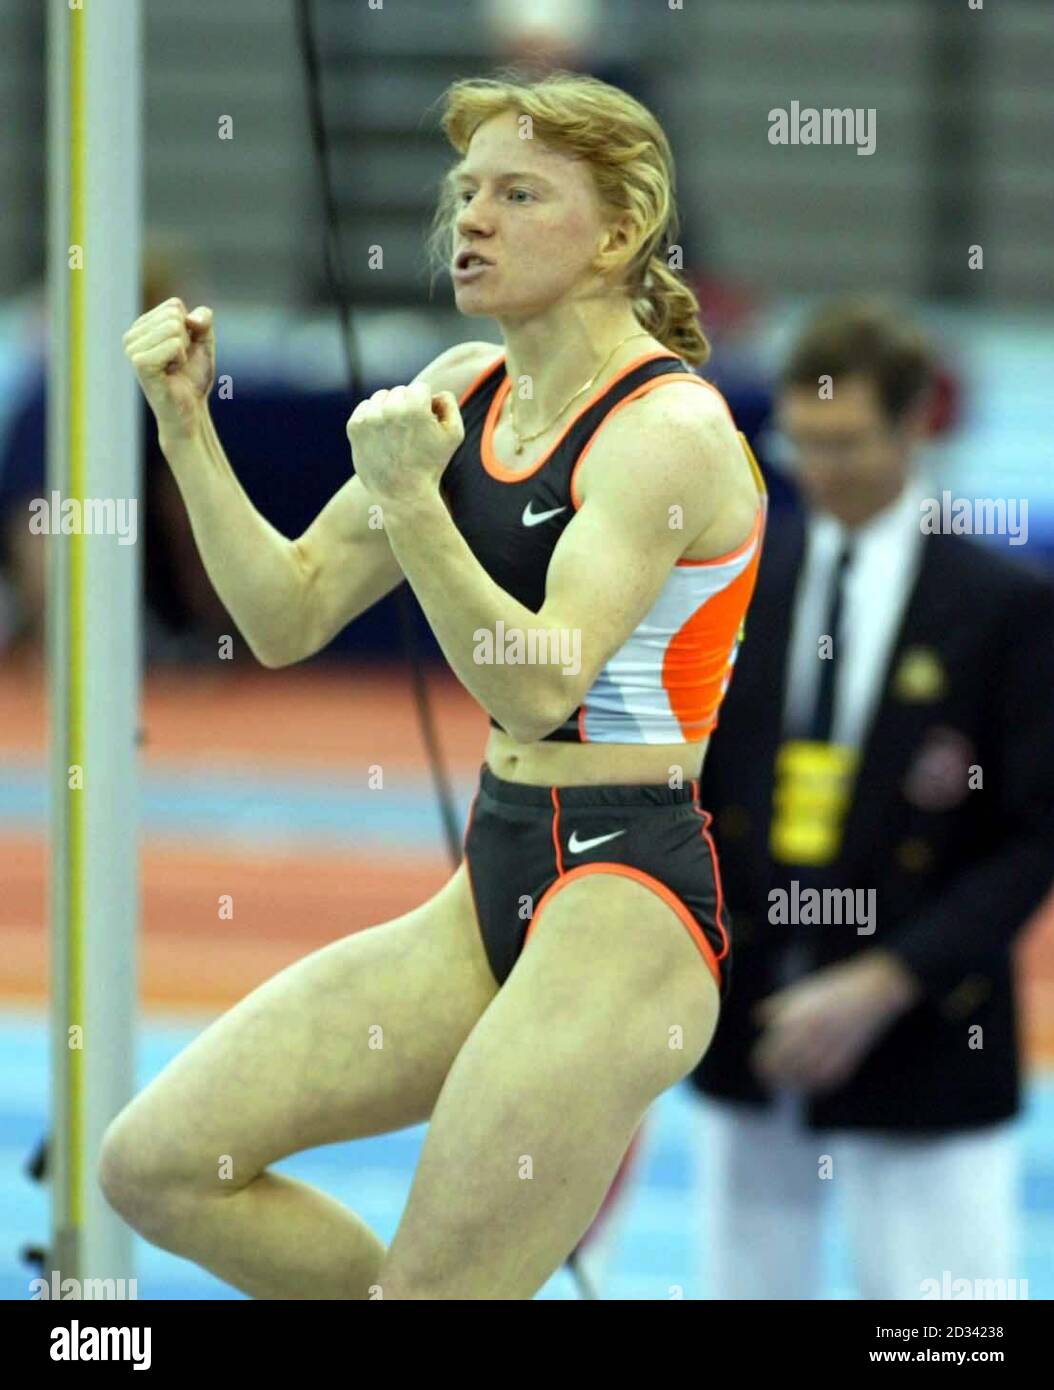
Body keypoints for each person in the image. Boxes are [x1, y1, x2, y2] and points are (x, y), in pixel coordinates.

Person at [98, 69, 766, 1300]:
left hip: (626, 898)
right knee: (157, 1165)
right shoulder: (465, 390)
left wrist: (414, 499)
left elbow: (539, 680)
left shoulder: (666, 430)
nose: (471, 218)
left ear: (617, 234)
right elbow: (285, 613)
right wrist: (184, 425)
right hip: (500, 863)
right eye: (464, 191)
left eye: (517, 194)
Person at [687, 298, 1054, 1299]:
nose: (818, 469)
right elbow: (699, 791)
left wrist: (885, 980)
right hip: (748, 1013)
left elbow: (1035, 838)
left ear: (914, 426)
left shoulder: (1004, 608)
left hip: (927, 1023)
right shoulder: (744, 585)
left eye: (845, 442)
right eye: (799, 443)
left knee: (945, 1327)